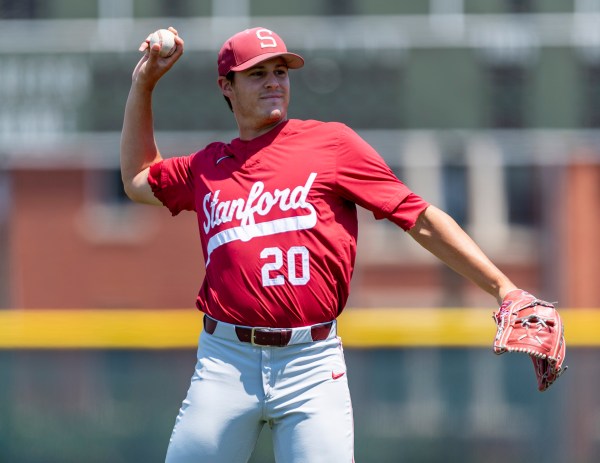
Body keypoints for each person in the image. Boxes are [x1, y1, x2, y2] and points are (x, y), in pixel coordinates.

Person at [121, 26, 520, 463]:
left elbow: (419, 218)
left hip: (311, 363)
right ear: (226, 87)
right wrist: (145, 83)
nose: (274, 81)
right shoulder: (208, 167)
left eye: (281, 71)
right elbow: (139, 179)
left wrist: (504, 288)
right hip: (225, 362)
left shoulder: (331, 145)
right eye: (256, 74)